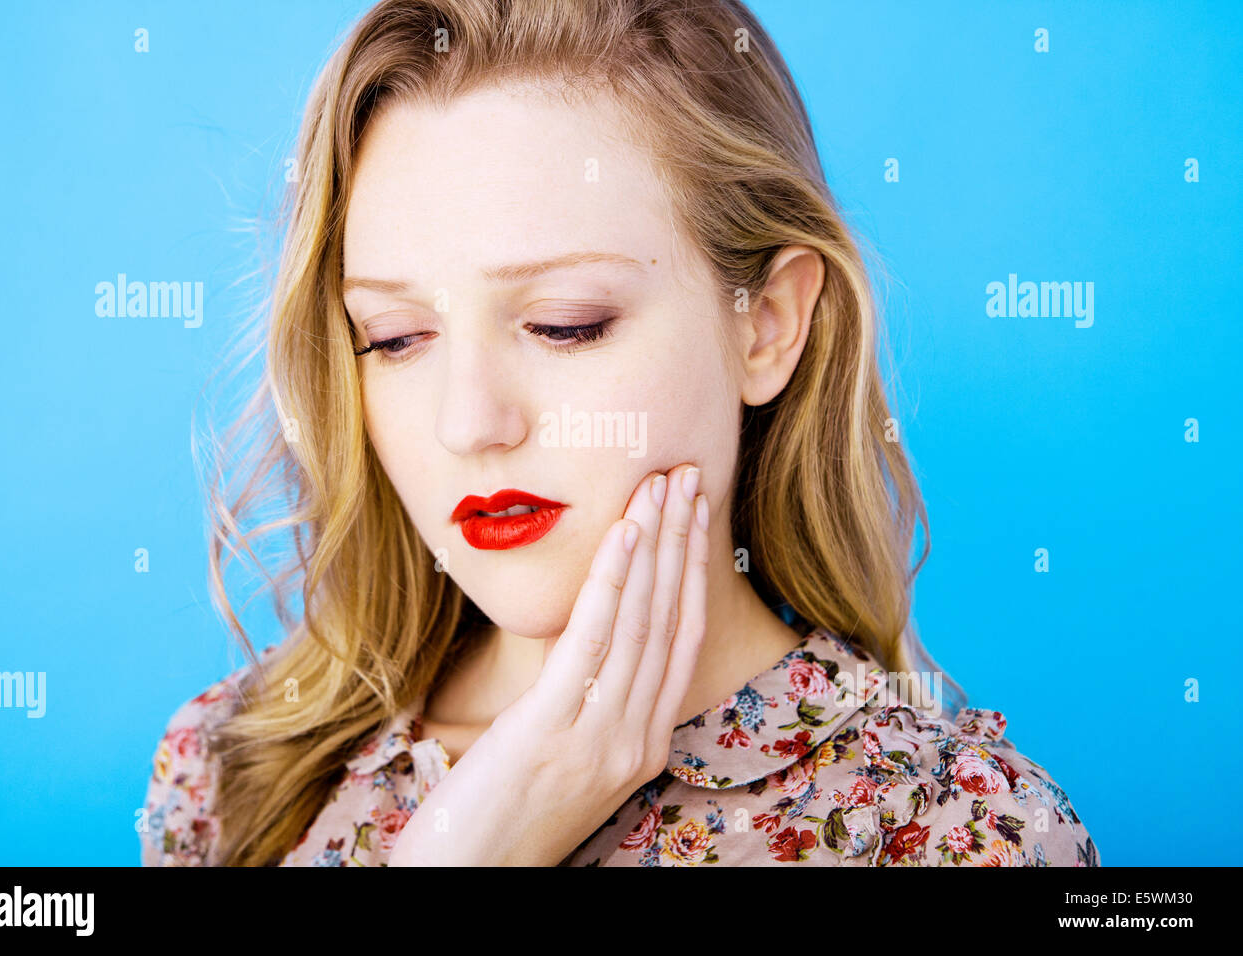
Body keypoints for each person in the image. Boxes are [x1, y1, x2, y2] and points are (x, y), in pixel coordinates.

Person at [141, 0, 1099, 867]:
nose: (470, 425)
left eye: (565, 324)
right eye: (394, 339)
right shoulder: (233, 771)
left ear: (765, 324)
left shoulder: (951, 835)